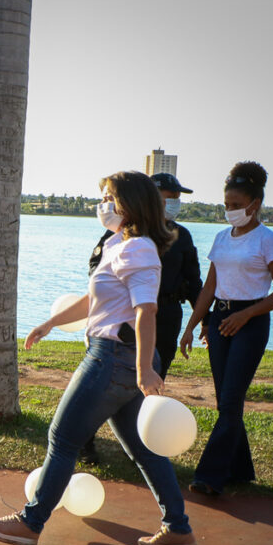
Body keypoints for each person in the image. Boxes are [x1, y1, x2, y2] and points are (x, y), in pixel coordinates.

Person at [0, 170, 197, 545]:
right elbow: (93, 300)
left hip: (112, 358)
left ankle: (30, 524)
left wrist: (144, 369)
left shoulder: (140, 250)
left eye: (108, 198)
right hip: (117, 358)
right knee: (144, 449)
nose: (102, 205)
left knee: (63, 438)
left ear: (128, 204)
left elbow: (145, 311)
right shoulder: (119, 243)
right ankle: (178, 528)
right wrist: (51, 322)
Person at [179, 161, 273, 497]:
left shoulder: (269, 240)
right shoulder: (221, 238)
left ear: (254, 205)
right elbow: (210, 287)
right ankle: (241, 470)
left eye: (235, 205)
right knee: (226, 403)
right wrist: (193, 325)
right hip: (220, 320)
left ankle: (210, 476)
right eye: (226, 205)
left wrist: (246, 316)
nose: (229, 211)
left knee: (230, 401)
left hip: (250, 322)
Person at [79, 172, 202, 464]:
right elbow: (97, 273)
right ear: (149, 196)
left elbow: (194, 281)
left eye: (176, 199)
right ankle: (85, 441)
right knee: (105, 388)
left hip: (167, 317)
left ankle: (146, 442)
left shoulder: (181, 236)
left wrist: (203, 321)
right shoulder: (120, 233)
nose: (173, 204)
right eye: (168, 197)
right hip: (128, 319)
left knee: (150, 381)